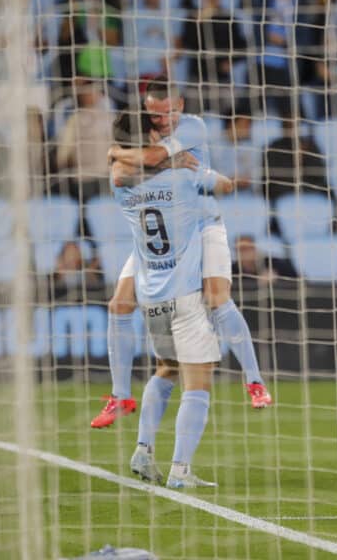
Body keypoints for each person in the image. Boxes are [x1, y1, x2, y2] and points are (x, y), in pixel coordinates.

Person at [93, 76, 273, 430]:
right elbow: (119, 176)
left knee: (217, 297)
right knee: (118, 305)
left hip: (204, 226)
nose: (162, 122)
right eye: (155, 116)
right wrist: (150, 161)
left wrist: (119, 152)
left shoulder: (193, 127)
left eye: (168, 114)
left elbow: (151, 157)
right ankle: (120, 395)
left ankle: (254, 381)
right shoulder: (145, 128)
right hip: (160, 228)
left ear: (181, 107)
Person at [109, 110, 230, 488]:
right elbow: (224, 186)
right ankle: (180, 471)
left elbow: (127, 169)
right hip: (185, 295)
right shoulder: (182, 180)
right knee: (199, 380)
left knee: (166, 368)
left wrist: (120, 153)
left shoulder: (121, 185)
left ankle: (143, 450)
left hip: (151, 298)